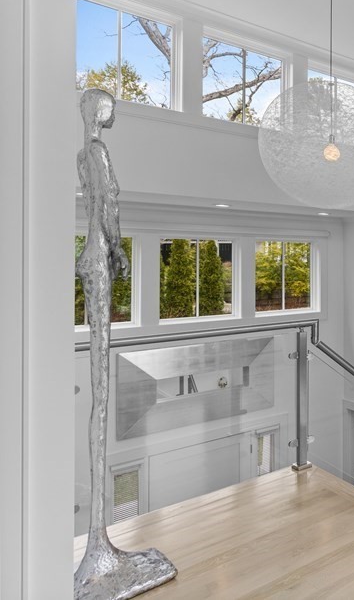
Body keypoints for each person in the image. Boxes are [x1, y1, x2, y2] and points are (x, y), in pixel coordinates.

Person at [74, 89, 176, 598]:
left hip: (86, 257)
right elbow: (109, 205)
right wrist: (120, 253)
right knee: (99, 388)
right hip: (97, 260)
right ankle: (98, 550)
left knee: (99, 390)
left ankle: (99, 542)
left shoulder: (81, 152)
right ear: (97, 112)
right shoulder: (96, 152)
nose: (112, 118)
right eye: (109, 110)